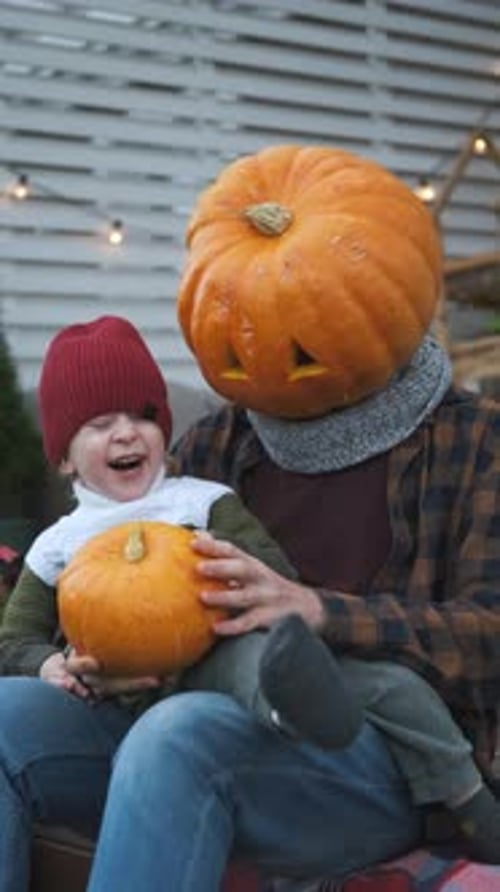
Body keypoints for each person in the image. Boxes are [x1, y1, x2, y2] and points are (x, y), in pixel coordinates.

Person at [1, 145, 499, 892]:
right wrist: (87, 653)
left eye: (304, 310)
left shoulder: (476, 443)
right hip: (193, 715)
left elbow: (490, 633)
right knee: (8, 714)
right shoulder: (213, 447)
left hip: (380, 761)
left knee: (180, 734)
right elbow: (125, 588)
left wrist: (317, 611)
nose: (273, 331)